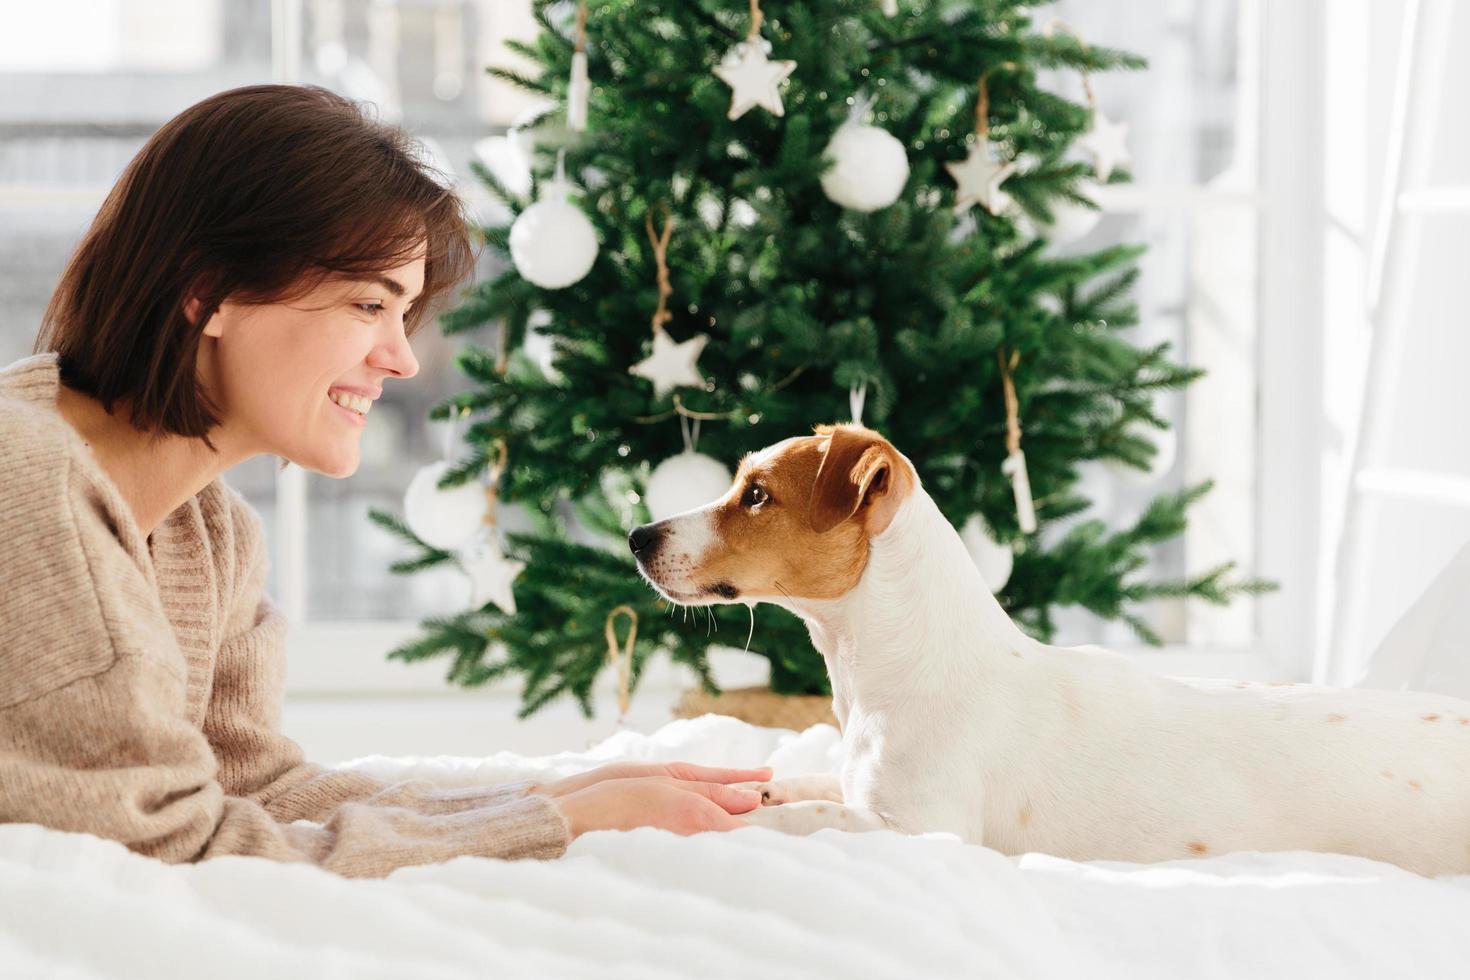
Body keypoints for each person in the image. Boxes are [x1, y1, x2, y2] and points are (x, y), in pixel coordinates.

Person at [0, 84, 771, 880]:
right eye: (369, 303)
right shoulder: (29, 485)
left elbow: (258, 790)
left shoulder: (211, 533)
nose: (400, 359)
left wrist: (553, 796)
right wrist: (558, 824)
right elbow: (172, 849)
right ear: (209, 292)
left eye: (403, 314)